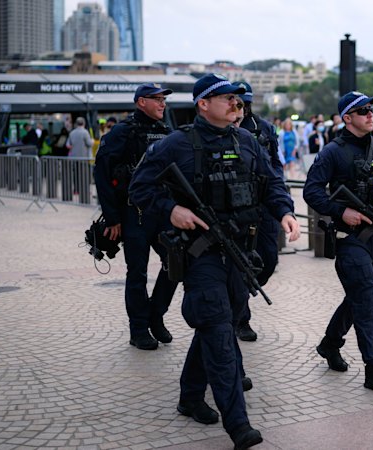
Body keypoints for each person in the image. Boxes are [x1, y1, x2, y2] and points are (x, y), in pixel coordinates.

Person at [129, 74, 301, 449]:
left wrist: (285, 212)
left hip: (239, 251)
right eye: (228, 100)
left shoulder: (247, 141)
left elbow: (272, 183)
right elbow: (139, 188)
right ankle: (238, 424)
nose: (236, 106)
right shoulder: (176, 144)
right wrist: (171, 209)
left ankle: (190, 396)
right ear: (203, 104)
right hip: (200, 253)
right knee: (219, 331)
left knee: (216, 324)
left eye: (239, 101)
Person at [303, 91, 373, 395]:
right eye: (363, 111)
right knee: (366, 298)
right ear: (347, 118)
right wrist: (341, 211)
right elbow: (312, 191)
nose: (370, 114)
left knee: (359, 296)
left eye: (371, 109)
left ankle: (330, 343)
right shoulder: (333, 152)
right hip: (348, 239)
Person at [93, 83, 179, 350]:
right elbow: (102, 173)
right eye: (157, 99)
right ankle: (139, 329)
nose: (163, 104)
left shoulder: (166, 132)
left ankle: (156, 315)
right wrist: (112, 218)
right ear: (141, 101)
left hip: (162, 211)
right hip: (134, 214)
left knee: (176, 263)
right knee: (137, 273)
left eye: (164, 99)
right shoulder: (122, 132)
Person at [232, 80, 283, 343]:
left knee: (269, 259)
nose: (243, 107)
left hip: (264, 204)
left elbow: (276, 164)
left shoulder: (264, 128)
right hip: (237, 207)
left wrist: (281, 198)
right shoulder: (224, 128)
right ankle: (241, 318)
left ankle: (242, 290)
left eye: (247, 103)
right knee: (239, 262)